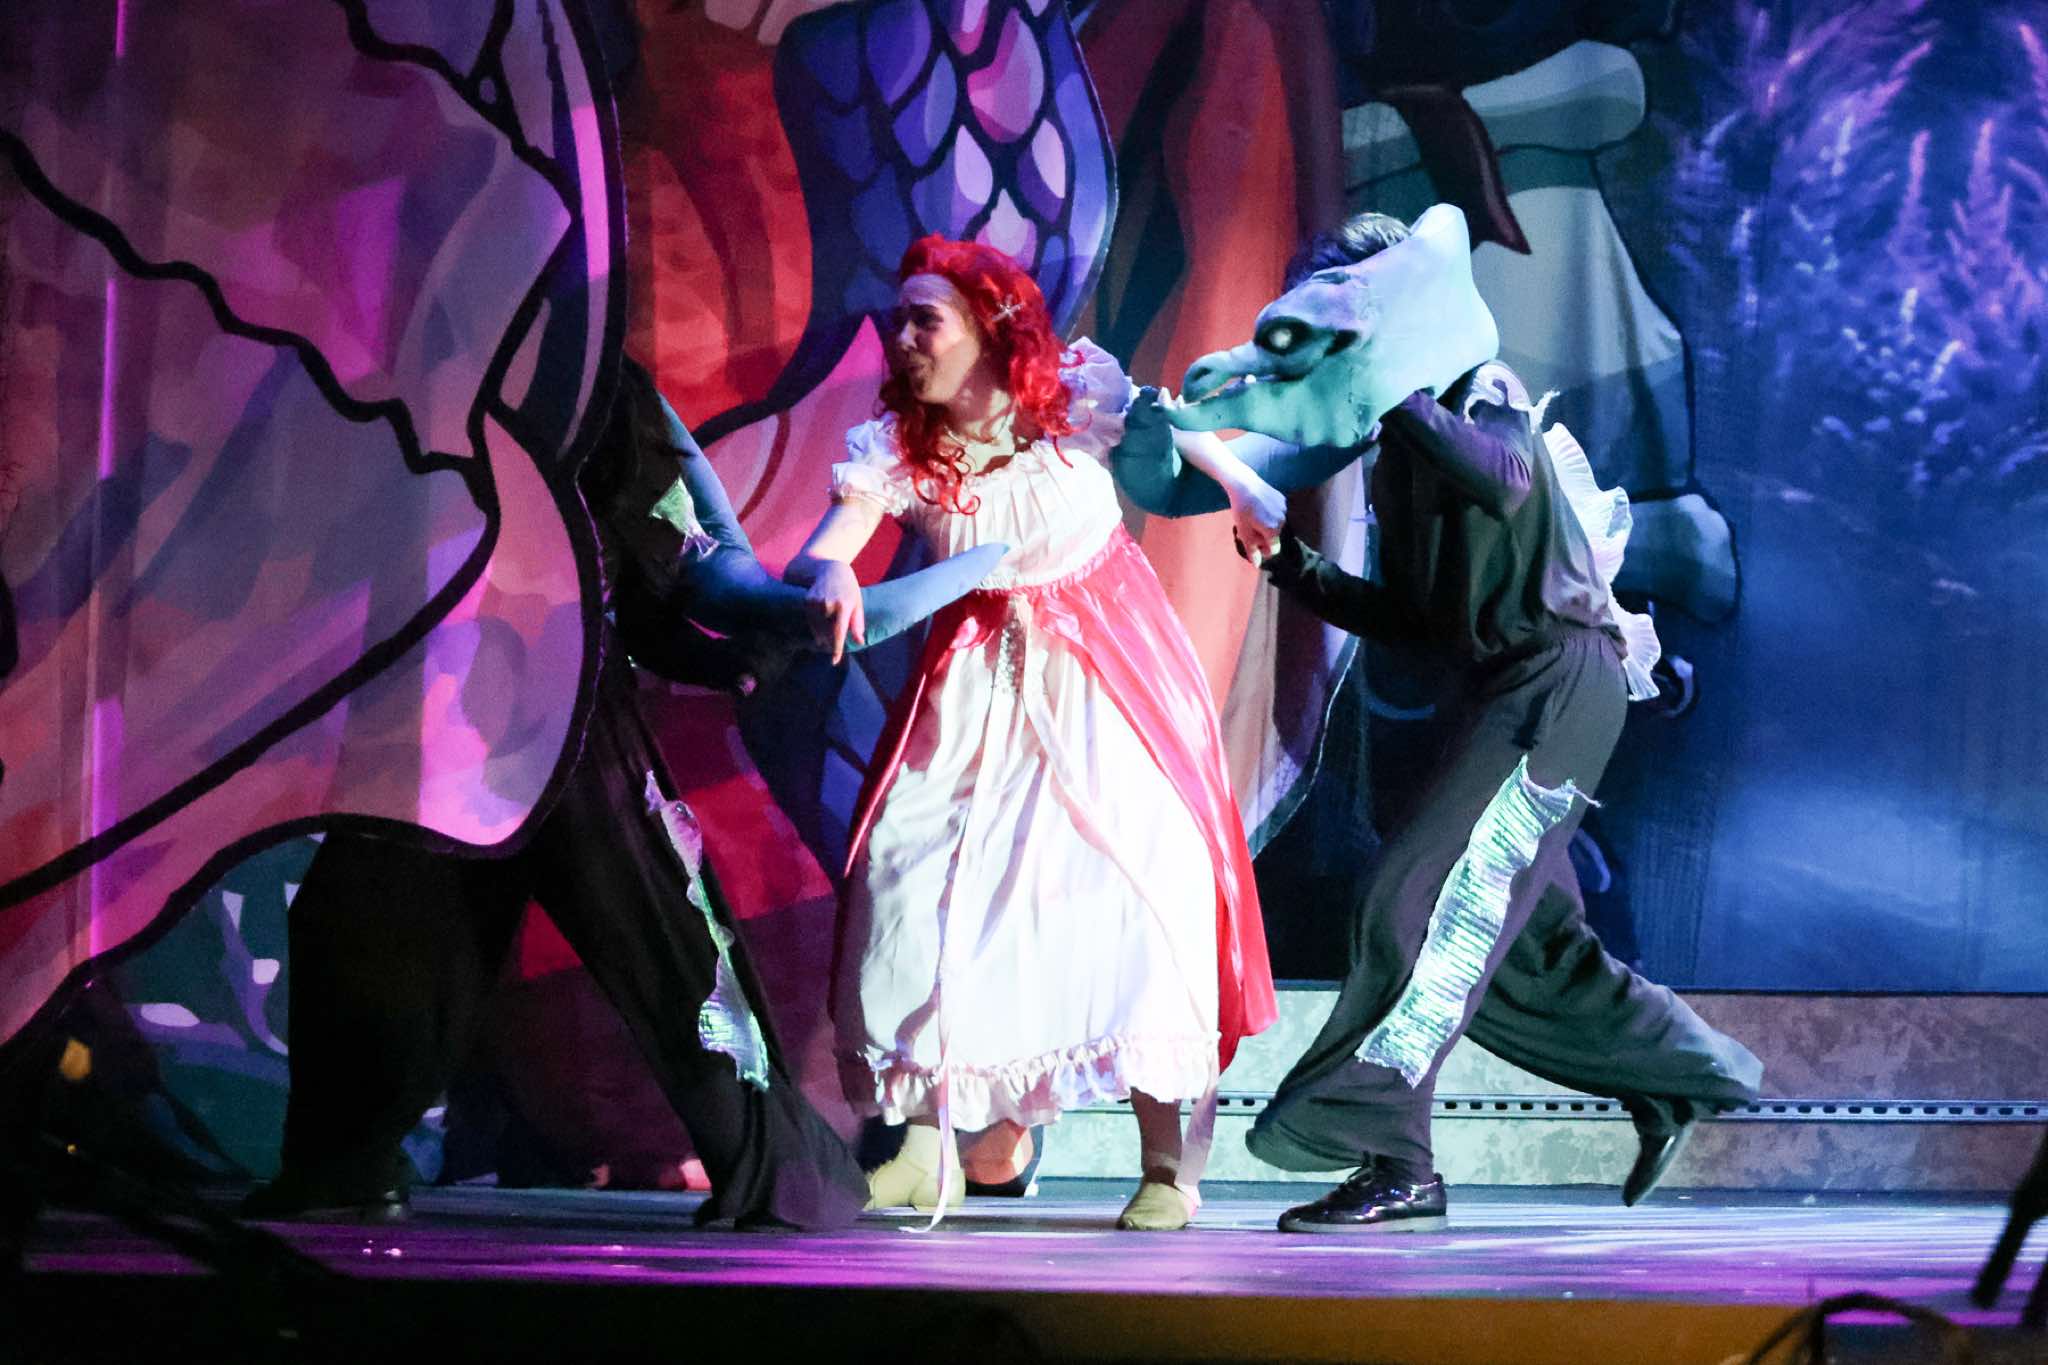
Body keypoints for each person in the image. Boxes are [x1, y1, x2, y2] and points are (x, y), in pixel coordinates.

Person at [1123, 209, 1762, 1232]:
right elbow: (1416, 619)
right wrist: (1291, 564)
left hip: (1555, 683)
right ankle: (1684, 1071)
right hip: (1497, 693)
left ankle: (1397, 1159)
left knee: (1408, 903)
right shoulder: (1395, 442)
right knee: (1527, 947)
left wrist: (1395, 389)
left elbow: (1505, 482)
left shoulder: (1477, 391)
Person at [244, 361, 986, 1231]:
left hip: (562, 704)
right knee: (366, 922)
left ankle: (785, 1177)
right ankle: (345, 1164)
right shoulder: (416, 355)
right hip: (433, 708)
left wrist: (739, 652)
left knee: (664, 938)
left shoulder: (589, 375)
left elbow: (659, 567)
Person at [783, 236, 1278, 1230]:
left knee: (1140, 898)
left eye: (926, 320)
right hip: (973, 692)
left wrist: (1243, 487)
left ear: (988, 329)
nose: (903, 337)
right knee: (912, 885)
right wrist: (830, 571)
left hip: (1109, 677)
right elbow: (824, 549)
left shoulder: (1073, 401)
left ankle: (1167, 1164)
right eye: (899, 319)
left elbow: (1177, 427)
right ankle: (924, 1151)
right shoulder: (899, 451)